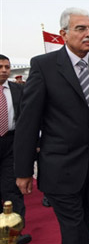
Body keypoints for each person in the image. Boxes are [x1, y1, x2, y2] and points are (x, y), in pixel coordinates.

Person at [13, 8, 89, 244]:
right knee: (75, 231)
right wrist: (23, 170)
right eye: (81, 29)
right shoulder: (44, 66)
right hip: (60, 168)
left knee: (81, 228)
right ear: (63, 34)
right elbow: (28, 122)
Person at [0, 54, 31, 244]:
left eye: (7, 67)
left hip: (12, 144)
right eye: (1, 66)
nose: (4, 70)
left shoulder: (18, 90)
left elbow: (26, 118)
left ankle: (15, 232)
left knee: (11, 188)